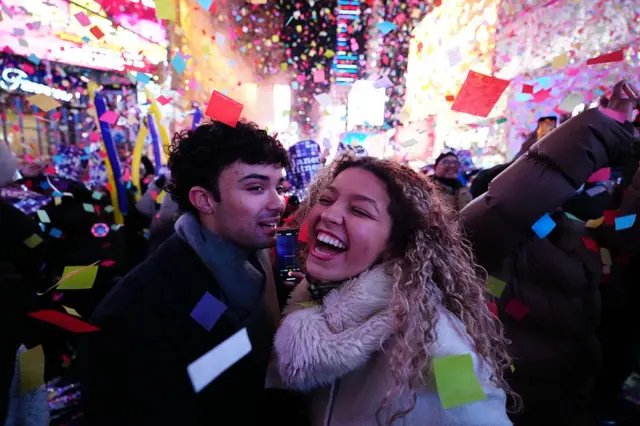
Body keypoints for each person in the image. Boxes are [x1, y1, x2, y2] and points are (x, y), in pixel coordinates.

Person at [271, 156, 514, 425]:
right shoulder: (312, 302)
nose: (328, 214)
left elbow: (477, 416)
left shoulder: (440, 343)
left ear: (397, 243)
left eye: (360, 211)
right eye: (327, 200)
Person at [79, 120, 290, 425]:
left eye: (278, 187)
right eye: (256, 188)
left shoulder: (259, 261)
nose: (278, 203)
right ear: (204, 199)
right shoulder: (135, 313)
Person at [460, 81, 639, 425]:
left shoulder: (577, 230)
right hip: (510, 406)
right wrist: (605, 123)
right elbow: (520, 194)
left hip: (574, 400)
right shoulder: (487, 237)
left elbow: (629, 226)